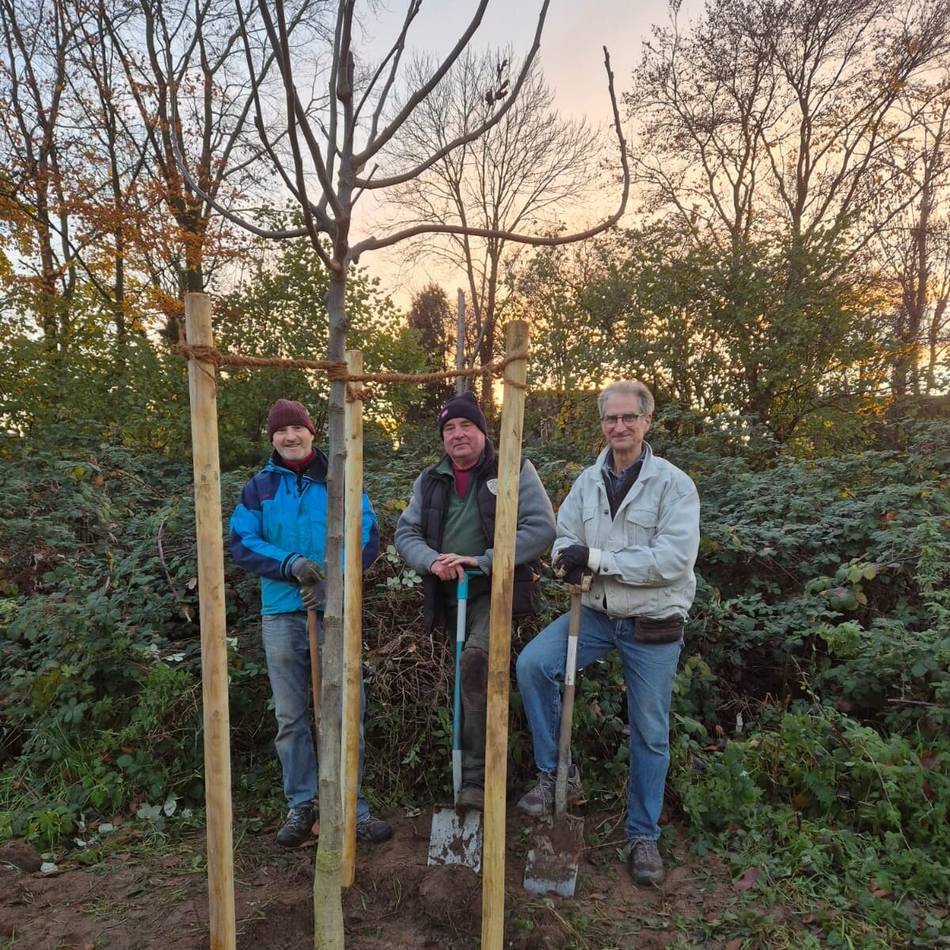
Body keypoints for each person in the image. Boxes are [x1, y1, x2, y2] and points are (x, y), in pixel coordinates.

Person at [515, 380, 700, 885]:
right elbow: (565, 534)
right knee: (534, 665)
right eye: (610, 419)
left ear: (646, 422)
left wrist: (595, 559)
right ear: (602, 424)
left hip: (652, 621)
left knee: (649, 730)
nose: (618, 426)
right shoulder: (588, 481)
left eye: (628, 418)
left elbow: (672, 560)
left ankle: (643, 835)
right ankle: (558, 771)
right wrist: (564, 561)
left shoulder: (673, 485)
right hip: (595, 614)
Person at [229, 398, 393, 848]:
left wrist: (332, 586)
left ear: (311, 432)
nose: (289, 437)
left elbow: (365, 534)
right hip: (282, 612)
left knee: (345, 710)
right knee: (291, 716)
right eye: (280, 432)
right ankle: (302, 805)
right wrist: (290, 563)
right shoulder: (259, 488)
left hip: (336, 612)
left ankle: (351, 807)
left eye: (296, 429)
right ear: (272, 439)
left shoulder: (341, 478)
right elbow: (241, 540)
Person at [394, 391, 556, 809]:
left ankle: (477, 782)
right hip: (450, 597)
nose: (457, 434)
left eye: (466, 425)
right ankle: (481, 772)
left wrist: (482, 560)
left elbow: (541, 529)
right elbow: (406, 533)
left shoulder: (513, 468)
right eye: (449, 428)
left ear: (482, 431)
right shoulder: (430, 480)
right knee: (470, 681)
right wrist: (432, 562)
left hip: (495, 591)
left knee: (476, 664)